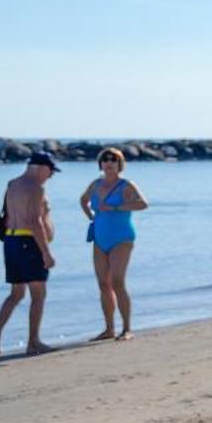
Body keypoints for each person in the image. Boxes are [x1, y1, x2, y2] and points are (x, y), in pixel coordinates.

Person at [0, 152, 59, 356]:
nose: (51, 175)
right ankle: (33, 342)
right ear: (40, 167)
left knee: (16, 293)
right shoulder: (36, 188)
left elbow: (9, 215)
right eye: (51, 171)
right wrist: (46, 252)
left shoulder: (13, 184)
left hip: (11, 241)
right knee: (38, 294)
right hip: (29, 242)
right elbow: (34, 221)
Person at [78, 146, 149, 341]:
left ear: (120, 164)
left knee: (118, 282)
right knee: (103, 284)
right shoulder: (95, 184)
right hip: (100, 238)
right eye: (105, 160)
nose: (108, 163)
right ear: (100, 164)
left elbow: (143, 204)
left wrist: (115, 207)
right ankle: (109, 329)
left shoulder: (126, 185)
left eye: (113, 160)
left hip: (122, 237)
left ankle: (126, 329)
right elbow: (83, 201)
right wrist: (92, 217)